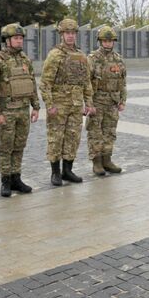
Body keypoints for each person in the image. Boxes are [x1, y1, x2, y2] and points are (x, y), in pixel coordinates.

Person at [0, 23, 40, 197]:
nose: (19, 41)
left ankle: (17, 178)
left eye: (21, 38)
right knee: (6, 147)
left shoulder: (25, 59)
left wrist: (36, 106)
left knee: (19, 146)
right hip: (7, 111)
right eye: (16, 38)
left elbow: (31, 83)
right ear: (7, 40)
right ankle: (6, 181)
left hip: (23, 110)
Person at [40, 18, 95, 186]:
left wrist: (89, 103)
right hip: (59, 106)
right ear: (61, 35)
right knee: (56, 138)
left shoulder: (81, 56)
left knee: (73, 137)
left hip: (76, 105)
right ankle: (55, 172)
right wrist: (49, 105)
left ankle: (67, 170)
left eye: (73, 33)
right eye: (67, 33)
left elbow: (86, 82)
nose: (70, 36)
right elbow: (45, 83)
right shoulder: (55, 55)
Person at [86, 26, 127, 176]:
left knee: (110, 132)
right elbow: (87, 82)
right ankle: (97, 162)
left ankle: (107, 160)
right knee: (95, 132)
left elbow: (122, 82)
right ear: (100, 41)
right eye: (105, 41)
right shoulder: (93, 59)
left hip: (112, 102)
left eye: (110, 41)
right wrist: (89, 103)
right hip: (97, 101)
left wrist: (122, 100)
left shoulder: (118, 59)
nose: (108, 43)